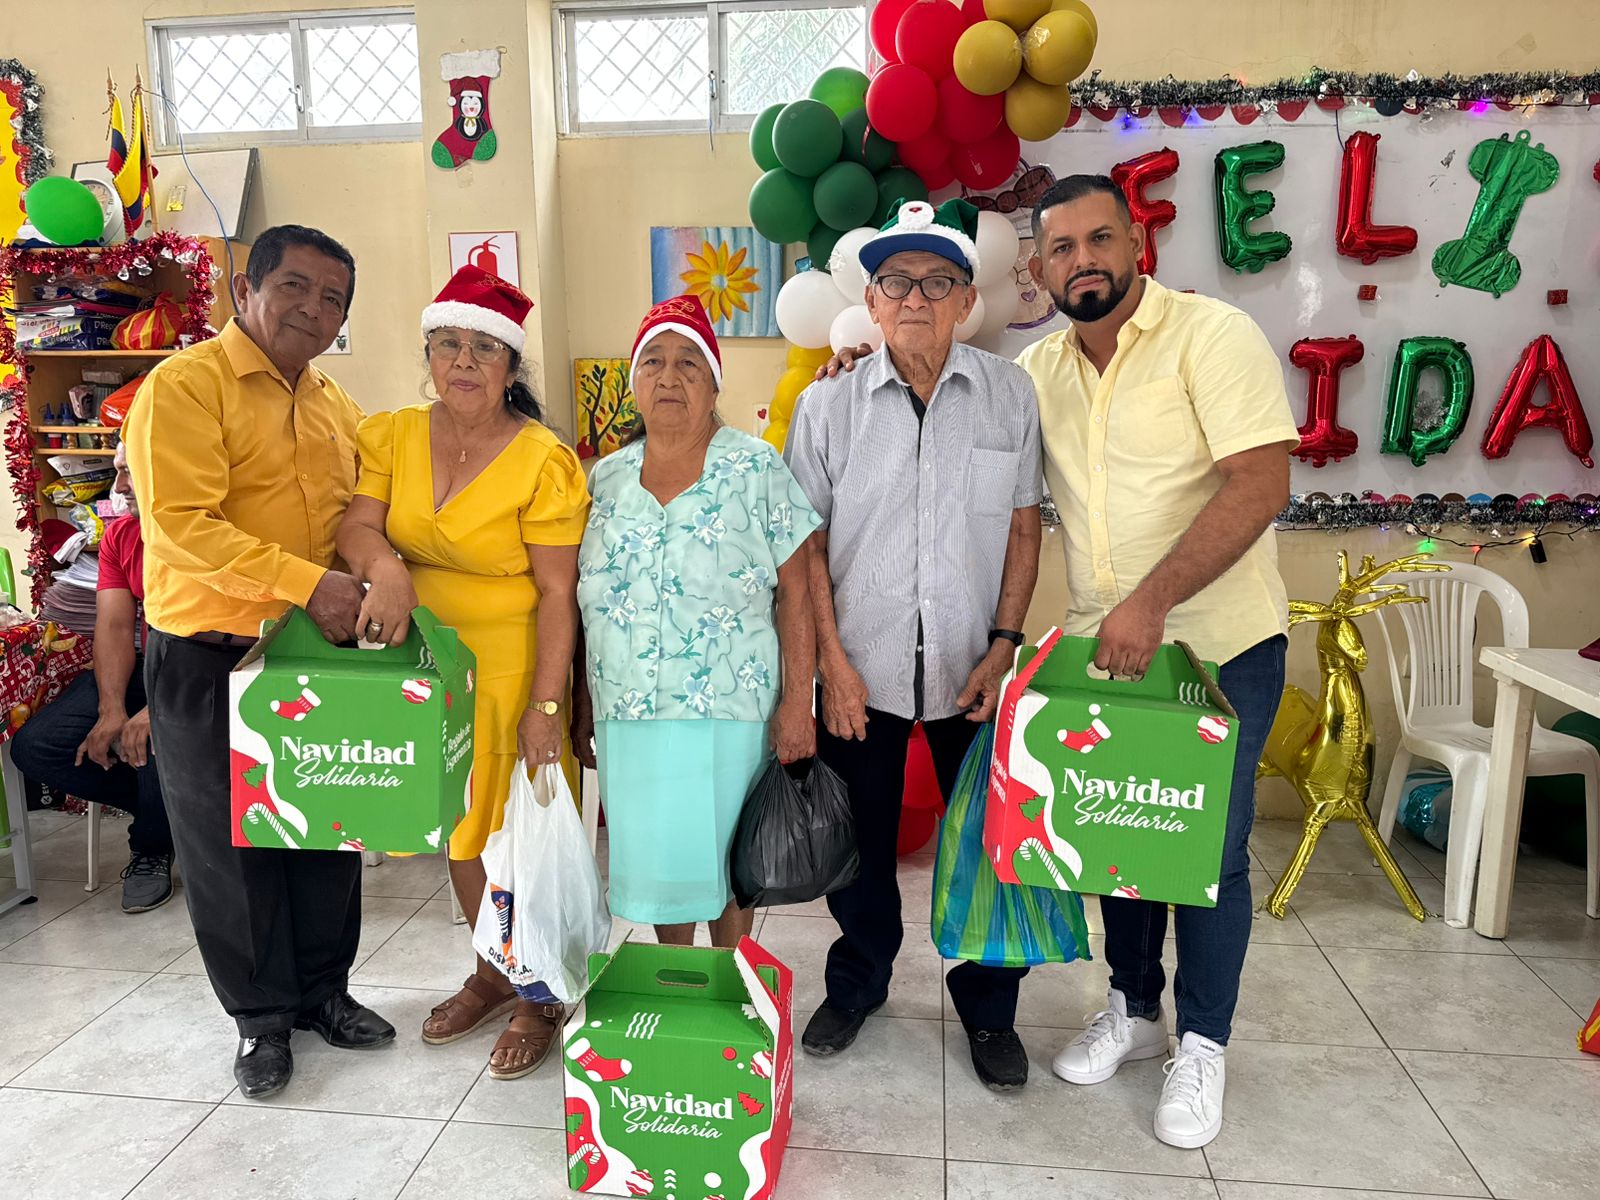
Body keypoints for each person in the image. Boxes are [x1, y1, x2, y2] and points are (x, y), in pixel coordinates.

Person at [821, 176, 1297, 1148]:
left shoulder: (1210, 337)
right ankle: (1133, 1006)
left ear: (1136, 244)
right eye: (1063, 247)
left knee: (1203, 856)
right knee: (1121, 843)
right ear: (1037, 268)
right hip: (1096, 651)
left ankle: (1200, 1042)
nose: (1083, 260)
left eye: (1100, 239)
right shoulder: (1037, 373)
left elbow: (1260, 482)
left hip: (1215, 645)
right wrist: (861, 358)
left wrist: (1131, 608)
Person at [124, 224, 393, 1102]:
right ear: (246, 288)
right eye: (296, 287)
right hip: (210, 656)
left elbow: (361, 512)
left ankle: (325, 994)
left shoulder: (335, 403)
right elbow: (182, 528)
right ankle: (261, 1018)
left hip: (311, 653)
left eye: (333, 299)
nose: (314, 309)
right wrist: (310, 583)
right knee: (229, 847)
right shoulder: (185, 388)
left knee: (324, 827)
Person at [784, 198, 1044, 1091]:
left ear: (968, 299)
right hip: (862, 668)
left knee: (991, 847)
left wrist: (1004, 645)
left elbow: (1022, 527)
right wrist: (831, 665)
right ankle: (858, 984)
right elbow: (806, 547)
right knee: (857, 848)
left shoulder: (1009, 394)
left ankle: (989, 1009)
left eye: (938, 283)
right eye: (897, 283)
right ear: (871, 300)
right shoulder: (827, 406)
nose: (916, 300)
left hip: (977, 666)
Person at [336, 265, 590, 1082]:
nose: (464, 361)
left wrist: (547, 705)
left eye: (484, 347)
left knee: (516, 838)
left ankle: (538, 996)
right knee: (458, 826)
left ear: (511, 366)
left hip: (514, 666)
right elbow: (358, 526)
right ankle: (491, 972)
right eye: (447, 344)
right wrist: (386, 566)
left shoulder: (543, 460)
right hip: (428, 664)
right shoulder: (394, 435)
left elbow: (558, 593)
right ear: (429, 357)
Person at [573, 294, 819, 950]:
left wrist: (798, 703)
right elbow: (582, 597)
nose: (669, 376)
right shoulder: (605, 480)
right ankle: (678, 978)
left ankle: (727, 976)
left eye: (689, 363)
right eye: (653, 362)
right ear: (634, 382)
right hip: (628, 707)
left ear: (714, 383)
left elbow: (798, 593)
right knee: (659, 863)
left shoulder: (756, 467)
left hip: (730, 706)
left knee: (730, 859)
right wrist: (580, 702)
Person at [10, 441, 174, 913]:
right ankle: (174, 813)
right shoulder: (122, 535)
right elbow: (115, 626)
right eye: (117, 470)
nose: (119, 486)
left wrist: (157, 711)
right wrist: (112, 709)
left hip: (204, 671)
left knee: (159, 745)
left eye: (130, 472)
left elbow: (218, 639)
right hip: (146, 664)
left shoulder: (209, 538)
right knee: (36, 747)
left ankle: (152, 847)